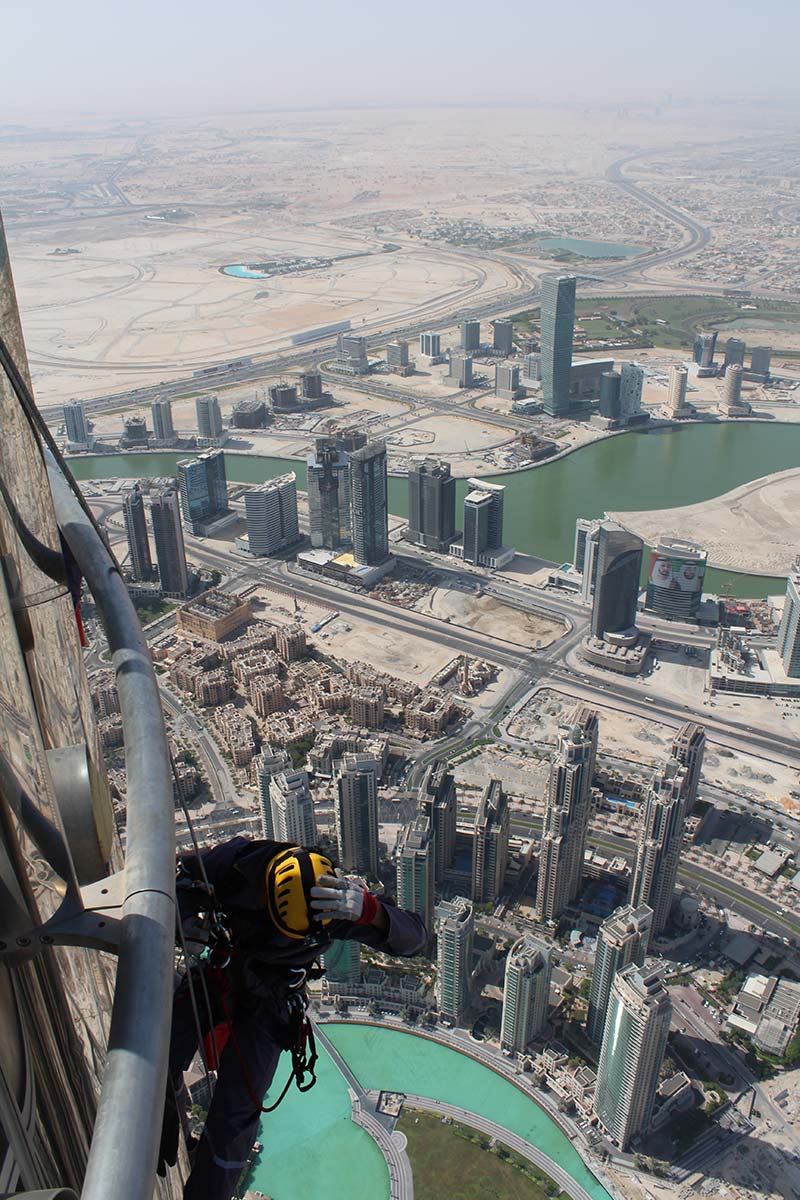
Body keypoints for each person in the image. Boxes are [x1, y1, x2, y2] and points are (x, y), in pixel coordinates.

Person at [161, 836, 428, 1200]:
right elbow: (181, 876)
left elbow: (415, 937)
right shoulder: (235, 864)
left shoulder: (329, 903)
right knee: (162, 1050)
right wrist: (187, 918)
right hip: (224, 968)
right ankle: (163, 1118)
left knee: (235, 1117)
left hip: (270, 1000)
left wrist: (372, 911)